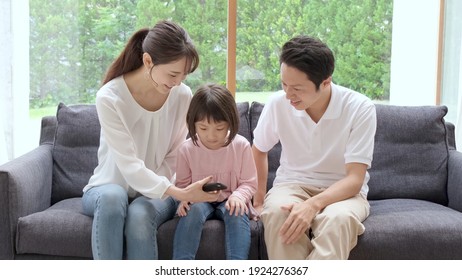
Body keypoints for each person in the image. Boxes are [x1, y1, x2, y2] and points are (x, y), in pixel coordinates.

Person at [81, 20, 220, 260]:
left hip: (157, 192)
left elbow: (175, 155)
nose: (178, 82)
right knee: (114, 197)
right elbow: (129, 165)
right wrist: (181, 192)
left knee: (141, 212)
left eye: (184, 75)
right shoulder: (110, 98)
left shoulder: (182, 95)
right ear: (148, 61)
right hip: (106, 188)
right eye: (173, 74)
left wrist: (167, 189)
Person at [251, 35, 377, 260]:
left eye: (297, 88)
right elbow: (259, 148)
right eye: (284, 84)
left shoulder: (360, 108)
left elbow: (355, 179)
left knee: (338, 221)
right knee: (278, 215)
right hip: (291, 185)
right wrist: (259, 200)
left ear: (326, 82)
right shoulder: (278, 104)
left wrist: (312, 205)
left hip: (343, 192)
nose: (288, 94)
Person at [172, 83, 258, 260]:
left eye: (219, 128)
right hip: (199, 200)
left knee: (237, 210)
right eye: (203, 128)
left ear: (231, 123)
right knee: (193, 210)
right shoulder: (186, 149)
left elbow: (249, 183)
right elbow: (182, 186)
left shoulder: (241, 146)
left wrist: (238, 196)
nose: (211, 136)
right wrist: (184, 199)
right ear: (192, 123)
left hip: (230, 198)